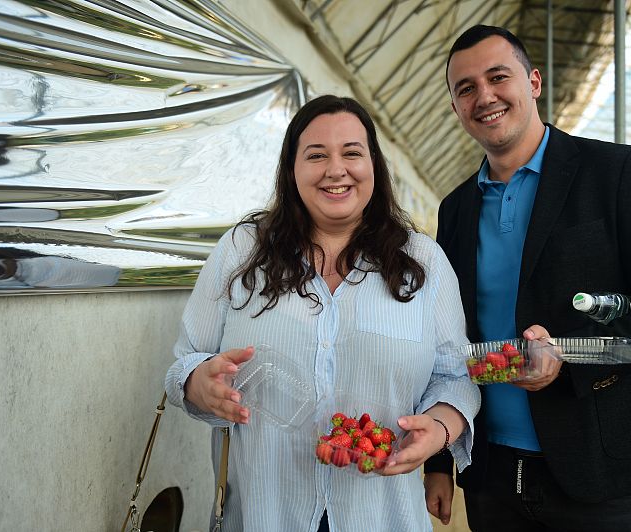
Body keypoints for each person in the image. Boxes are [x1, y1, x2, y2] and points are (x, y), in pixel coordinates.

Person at [423, 25, 631, 532]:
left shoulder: (614, 171)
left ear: (534, 82)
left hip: (601, 467)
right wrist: (439, 461)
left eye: (498, 77)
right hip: (493, 475)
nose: (484, 96)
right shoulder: (456, 209)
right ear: (454, 107)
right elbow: (448, 340)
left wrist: (574, 357)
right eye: (465, 88)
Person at [164, 95, 480, 531]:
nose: (336, 169)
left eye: (352, 153)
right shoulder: (242, 250)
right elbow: (185, 361)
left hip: (382, 515)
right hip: (265, 512)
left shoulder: (422, 263)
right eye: (316, 155)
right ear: (292, 170)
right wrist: (200, 383)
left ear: (374, 166)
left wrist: (439, 430)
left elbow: (456, 376)